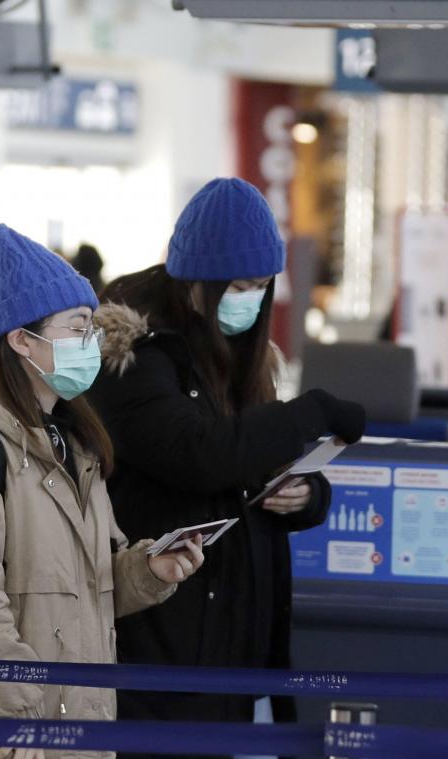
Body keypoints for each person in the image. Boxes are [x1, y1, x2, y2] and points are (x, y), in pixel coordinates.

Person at [0, 224, 203, 758]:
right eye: (78, 328)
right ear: (22, 339)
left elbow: (80, 590)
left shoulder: (73, 444)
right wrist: (26, 723)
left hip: (70, 727)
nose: (93, 343)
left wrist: (147, 572)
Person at [88, 178, 366, 755]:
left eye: (262, 287)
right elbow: (201, 453)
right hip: (159, 641)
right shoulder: (132, 355)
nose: (251, 300)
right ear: (195, 281)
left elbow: (257, 457)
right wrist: (312, 411)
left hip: (235, 635)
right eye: (239, 287)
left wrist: (307, 494)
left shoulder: (242, 353)